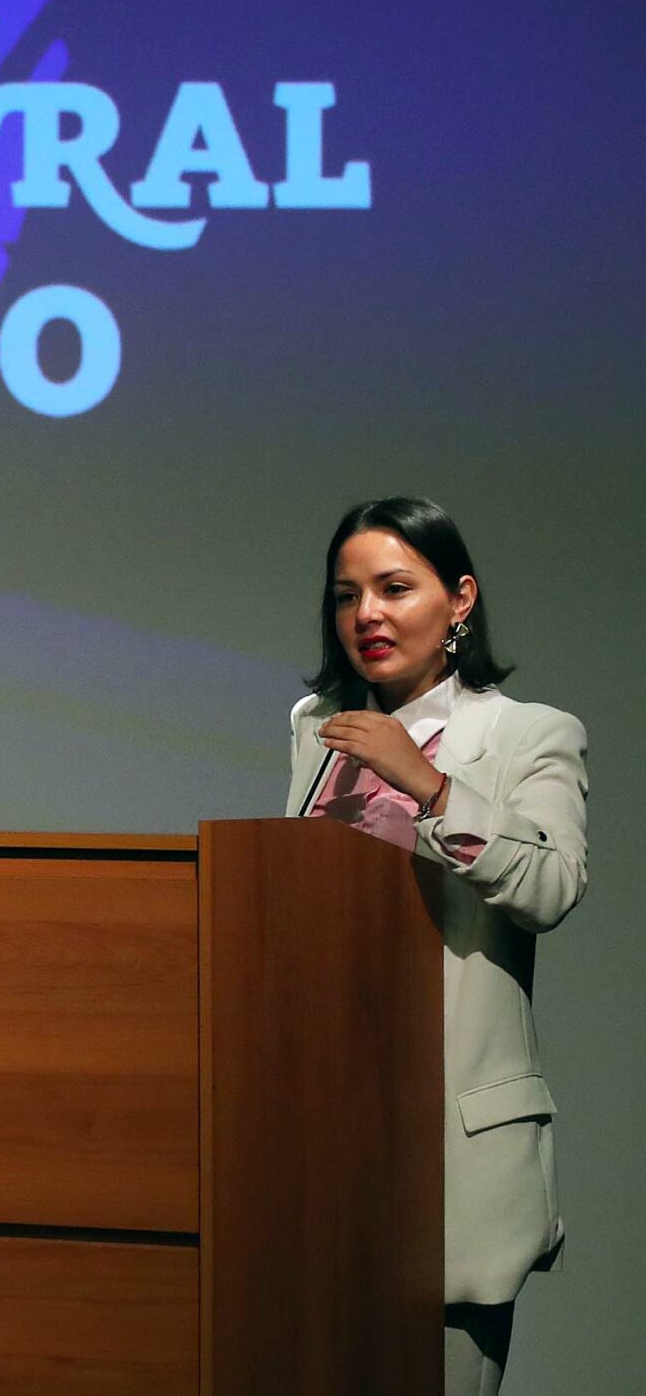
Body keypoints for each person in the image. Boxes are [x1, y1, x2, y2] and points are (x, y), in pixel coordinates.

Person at [286, 496, 588, 1396]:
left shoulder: (529, 733)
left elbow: (552, 884)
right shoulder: (316, 726)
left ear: (459, 599)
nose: (366, 614)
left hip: (449, 1141)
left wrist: (429, 784)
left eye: (394, 588)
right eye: (347, 595)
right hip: (325, 1133)